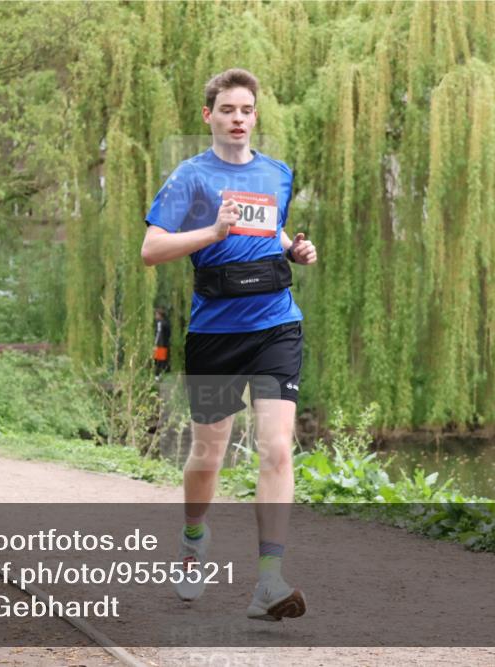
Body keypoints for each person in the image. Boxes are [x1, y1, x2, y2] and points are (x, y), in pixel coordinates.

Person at [140, 68, 317, 621]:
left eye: (246, 110)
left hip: (275, 326)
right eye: (228, 110)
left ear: (255, 115)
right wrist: (212, 234)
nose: (238, 119)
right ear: (208, 115)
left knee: (277, 446)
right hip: (215, 335)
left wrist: (293, 250)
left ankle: (269, 579)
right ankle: (194, 538)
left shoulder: (277, 173)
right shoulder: (190, 178)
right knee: (209, 453)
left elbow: (270, 229)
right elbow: (152, 248)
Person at [153, 306, 172, 379]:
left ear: (160, 315)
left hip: (160, 344)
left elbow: (158, 334)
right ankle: (159, 374)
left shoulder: (160, 323)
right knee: (161, 360)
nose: (155, 316)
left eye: (156, 314)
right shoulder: (166, 323)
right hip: (165, 343)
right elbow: (168, 334)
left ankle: (157, 375)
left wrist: (155, 344)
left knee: (158, 360)